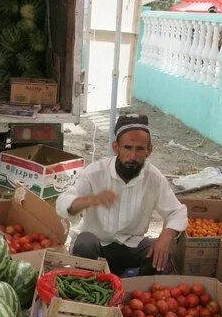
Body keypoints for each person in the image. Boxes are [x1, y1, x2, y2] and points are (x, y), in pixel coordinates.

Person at [56, 115, 187, 276]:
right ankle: (88, 289)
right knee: (85, 243)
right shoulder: (95, 173)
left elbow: (177, 211)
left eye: (140, 149)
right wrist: (90, 200)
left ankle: (134, 291)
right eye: (127, 147)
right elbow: (62, 203)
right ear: (116, 148)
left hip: (132, 246)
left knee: (161, 257)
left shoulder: (153, 177)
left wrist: (165, 237)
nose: (133, 156)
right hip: (97, 247)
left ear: (149, 151)